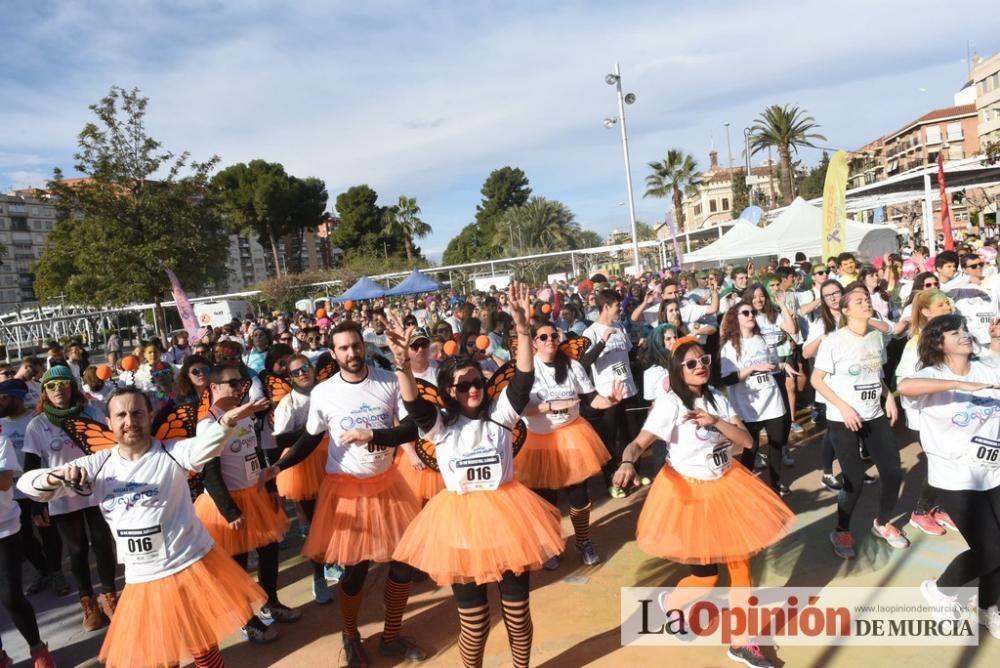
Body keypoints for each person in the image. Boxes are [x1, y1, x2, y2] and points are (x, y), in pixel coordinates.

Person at [18, 387, 271, 668]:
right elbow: (26, 484)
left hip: (188, 566)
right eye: (121, 415)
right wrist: (56, 477)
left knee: (204, 649)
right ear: (110, 422)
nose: (130, 421)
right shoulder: (98, 465)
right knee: (162, 656)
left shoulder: (172, 451)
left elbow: (202, 448)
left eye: (137, 413)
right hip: (143, 578)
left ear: (150, 416)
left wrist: (226, 423)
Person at [380, 284, 564, 668]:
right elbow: (414, 405)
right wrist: (400, 363)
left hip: (511, 521)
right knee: (475, 624)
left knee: (517, 617)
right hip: (461, 526)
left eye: (477, 382)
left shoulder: (502, 415)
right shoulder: (441, 427)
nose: (472, 389)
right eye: (463, 385)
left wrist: (523, 330)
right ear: (450, 390)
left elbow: (524, 380)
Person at [613, 337, 794, 668]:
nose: (701, 367)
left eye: (705, 360)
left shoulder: (718, 399)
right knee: (707, 578)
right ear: (678, 371)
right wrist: (627, 462)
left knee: (741, 569)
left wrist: (716, 422)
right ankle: (673, 604)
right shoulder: (670, 404)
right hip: (689, 496)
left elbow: (747, 440)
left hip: (727, 486)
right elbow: (638, 443)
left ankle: (742, 641)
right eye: (692, 363)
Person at [259, 320, 426, 667]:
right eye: (344, 348)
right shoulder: (324, 392)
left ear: (363, 346)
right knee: (354, 572)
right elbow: (310, 437)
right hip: (346, 489)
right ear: (334, 354)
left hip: (387, 485)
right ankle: (351, 637)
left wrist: (375, 436)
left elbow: (412, 426)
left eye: (356, 345)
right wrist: (281, 465)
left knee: (405, 564)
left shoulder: (388, 381)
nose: (352, 353)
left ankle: (391, 636)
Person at [899, 314, 1000, 638]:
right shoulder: (930, 375)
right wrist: (959, 384)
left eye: (965, 330)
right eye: (954, 332)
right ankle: (940, 589)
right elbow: (905, 386)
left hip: (994, 471)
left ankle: (988, 607)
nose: (964, 335)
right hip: (956, 477)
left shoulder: (989, 368)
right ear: (938, 343)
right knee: (991, 548)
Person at [192, 363, 299, 638]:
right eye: (232, 383)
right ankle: (246, 619)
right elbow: (209, 470)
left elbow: (259, 453)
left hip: (256, 493)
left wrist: (272, 486)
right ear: (214, 388)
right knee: (237, 564)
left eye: (241, 383)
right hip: (227, 503)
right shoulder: (207, 424)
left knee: (270, 550)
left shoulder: (247, 415)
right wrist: (229, 510)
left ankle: (270, 603)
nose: (239, 387)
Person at [515, 320, 622, 569]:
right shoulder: (527, 371)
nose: (550, 340)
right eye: (543, 337)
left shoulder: (573, 366)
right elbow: (521, 410)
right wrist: (551, 406)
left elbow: (592, 399)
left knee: (579, 498)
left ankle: (583, 541)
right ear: (533, 343)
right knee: (548, 502)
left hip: (573, 436)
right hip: (539, 442)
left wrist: (610, 401)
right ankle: (552, 544)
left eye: (553, 335)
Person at [811, 285, 905, 558]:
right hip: (844, 419)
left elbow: (876, 373)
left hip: (874, 415)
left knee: (893, 474)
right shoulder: (834, 341)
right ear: (845, 310)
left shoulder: (876, 337)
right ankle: (841, 529)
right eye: (859, 301)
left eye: (867, 299)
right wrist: (843, 406)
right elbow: (818, 380)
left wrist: (887, 396)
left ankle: (883, 524)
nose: (866, 303)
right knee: (854, 480)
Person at [22, 366, 117, 631]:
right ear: (43, 392)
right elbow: (32, 466)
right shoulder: (37, 424)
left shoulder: (92, 412)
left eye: (63, 384)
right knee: (76, 550)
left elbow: (110, 449)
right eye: (51, 386)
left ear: (72, 387)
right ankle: (88, 603)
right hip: (62, 496)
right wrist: (36, 504)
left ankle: (109, 597)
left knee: (102, 543)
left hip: (96, 490)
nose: (58, 390)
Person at [270, 354, 336, 605]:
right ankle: (319, 577)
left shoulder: (327, 392)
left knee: (337, 516)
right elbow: (281, 439)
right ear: (290, 378)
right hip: (305, 465)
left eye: (305, 368)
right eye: (296, 372)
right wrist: (313, 430)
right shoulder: (289, 403)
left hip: (332, 459)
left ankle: (334, 562)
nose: (302, 374)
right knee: (316, 520)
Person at [0, 380, 68, 598]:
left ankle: (57, 572)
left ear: (17, 397)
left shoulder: (35, 420)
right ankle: (43, 570)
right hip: (13, 492)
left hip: (39, 486)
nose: (0, 401)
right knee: (24, 538)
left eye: (4, 396)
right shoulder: (1, 423)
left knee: (48, 531)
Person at [0, 421, 56, 668]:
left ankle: (37, 648)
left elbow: (4, 482)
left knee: (11, 596)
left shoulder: (1, 441)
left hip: (4, 530)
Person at [719, 304, 790, 496]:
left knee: (776, 444)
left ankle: (776, 483)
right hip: (748, 405)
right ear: (736, 318)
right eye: (746, 313)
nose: (751, 315)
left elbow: (770, 365)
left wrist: (782, 365)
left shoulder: (761, 340)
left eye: (752, 312)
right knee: (752, 446)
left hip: (772, 399)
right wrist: (751, 369)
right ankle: (747, 486)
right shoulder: (730, 347)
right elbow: (727, 379)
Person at [580, 289, 639, 498]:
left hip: (628, 389)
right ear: (606, 307)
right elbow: (583, 363)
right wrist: (602, 342)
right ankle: (611, 480)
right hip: (608, 395)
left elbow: (628, 353)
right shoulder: (591, 332)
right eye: (617, 306)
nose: (620, 309)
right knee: (610, 437)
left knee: (630, 434)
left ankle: (631, 474)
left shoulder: (621, 326)